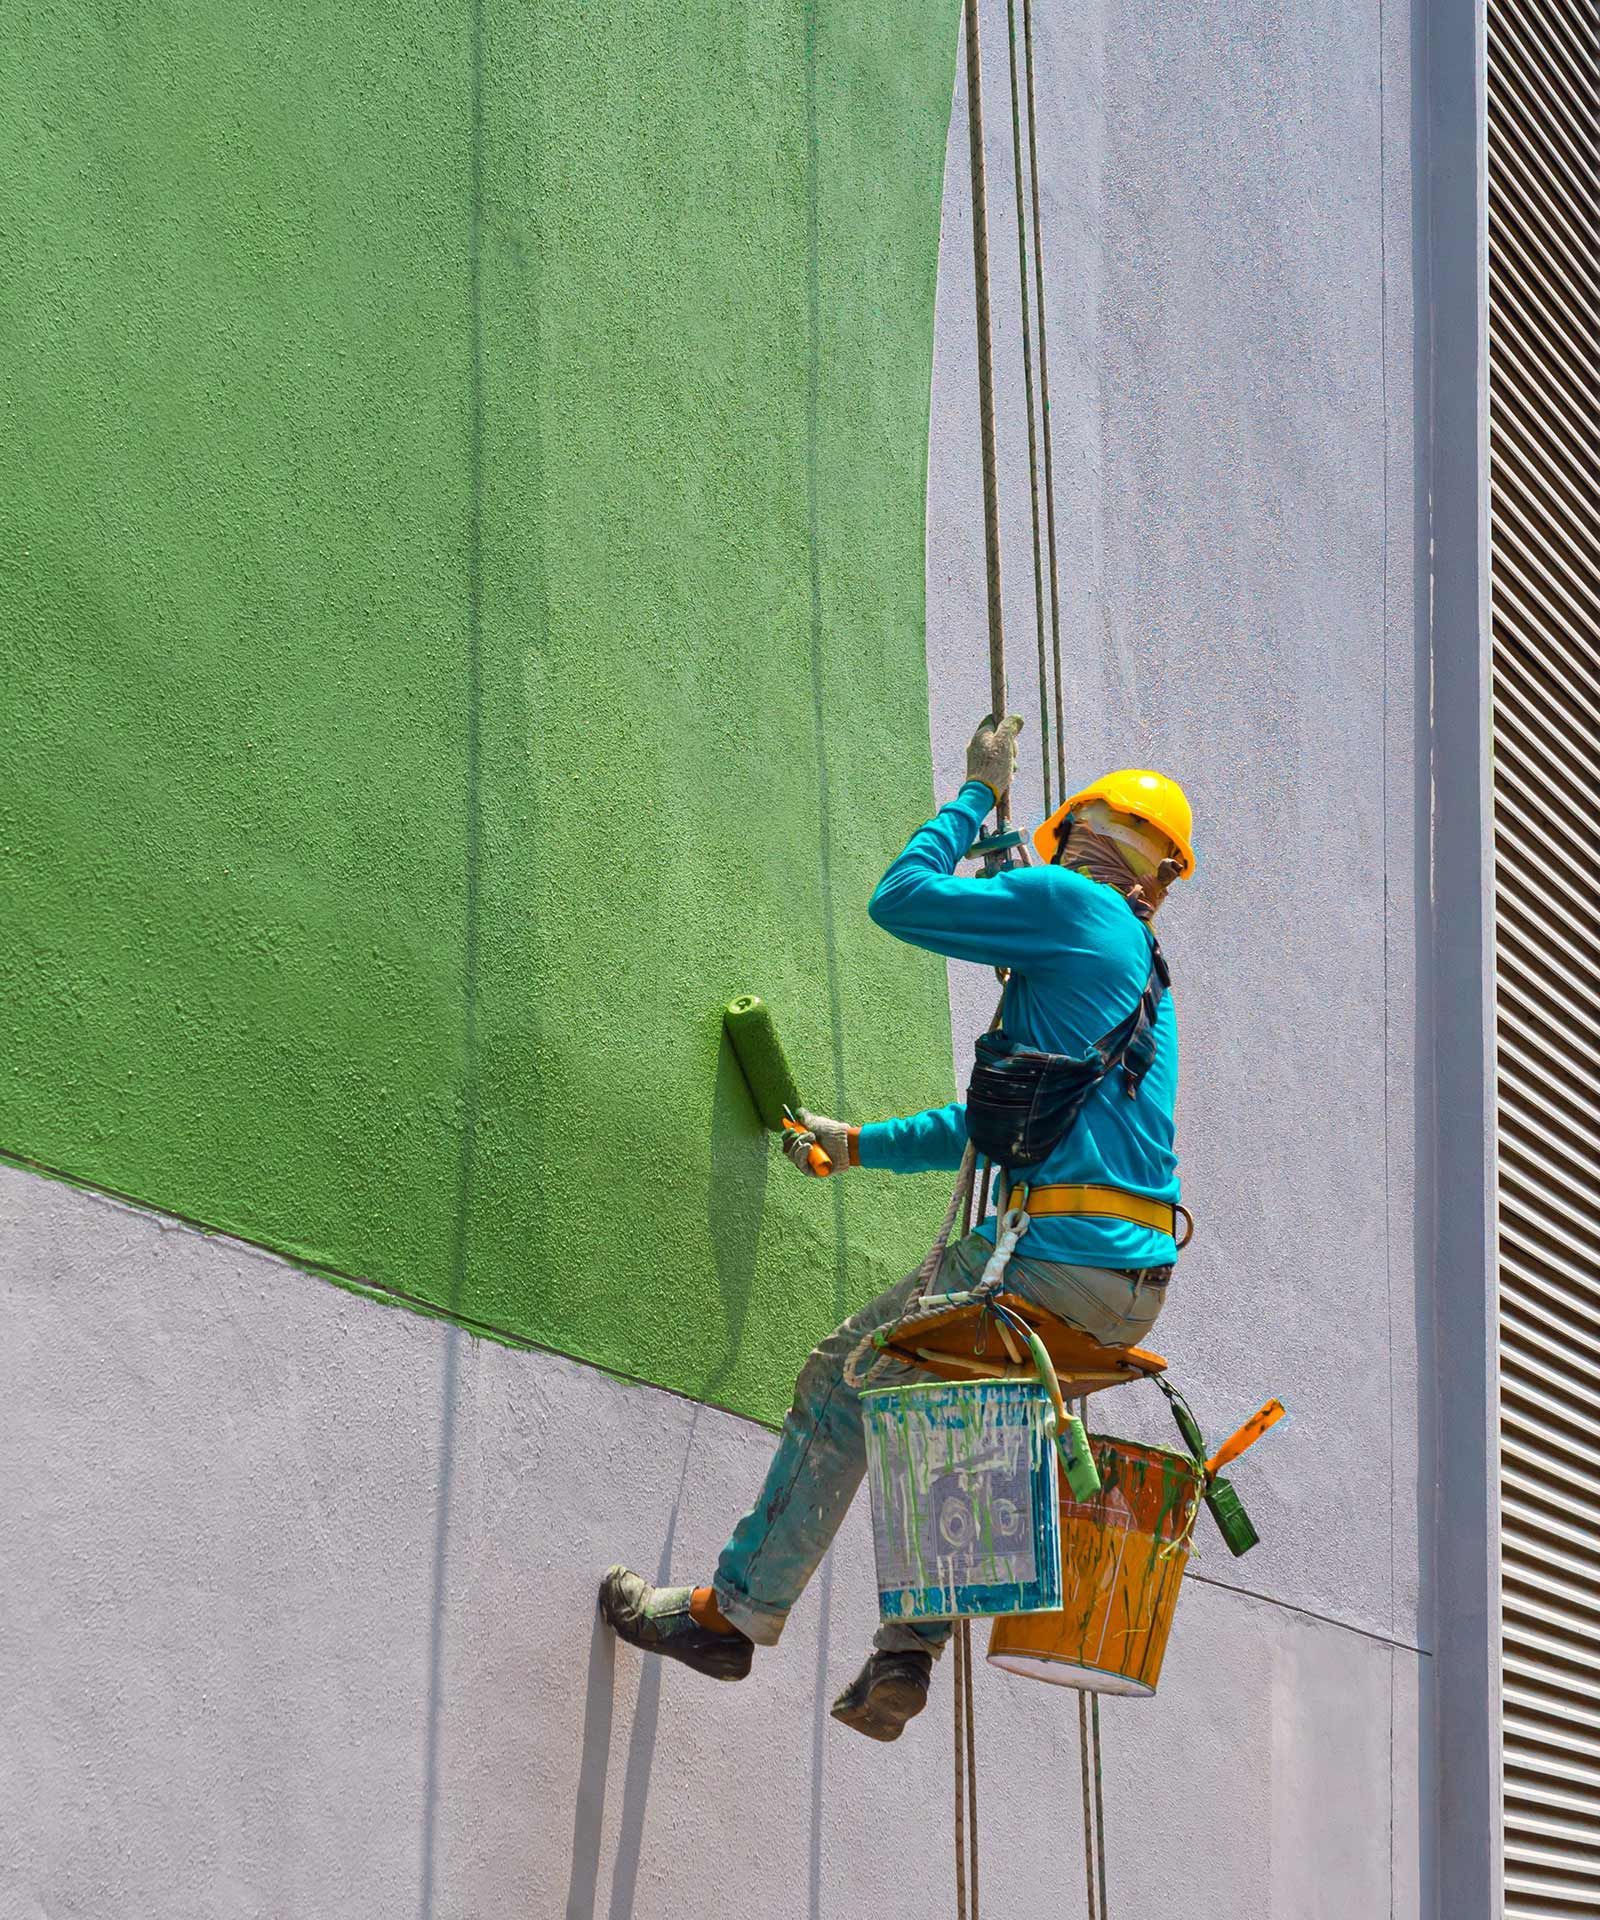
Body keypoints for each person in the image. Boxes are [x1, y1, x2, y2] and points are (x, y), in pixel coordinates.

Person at [600, 714, 1195, 1741]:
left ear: (1080, 836)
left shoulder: (1069, 903)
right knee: (955, 1385)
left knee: (845, 1379)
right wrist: (859, 1145)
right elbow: (1000, 1123)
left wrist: (973, 797)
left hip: (1050, 1256)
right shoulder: (1146, 978)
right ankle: (907, 1651)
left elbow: (901, 898)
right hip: (1127, 1285)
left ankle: (731, 1616)